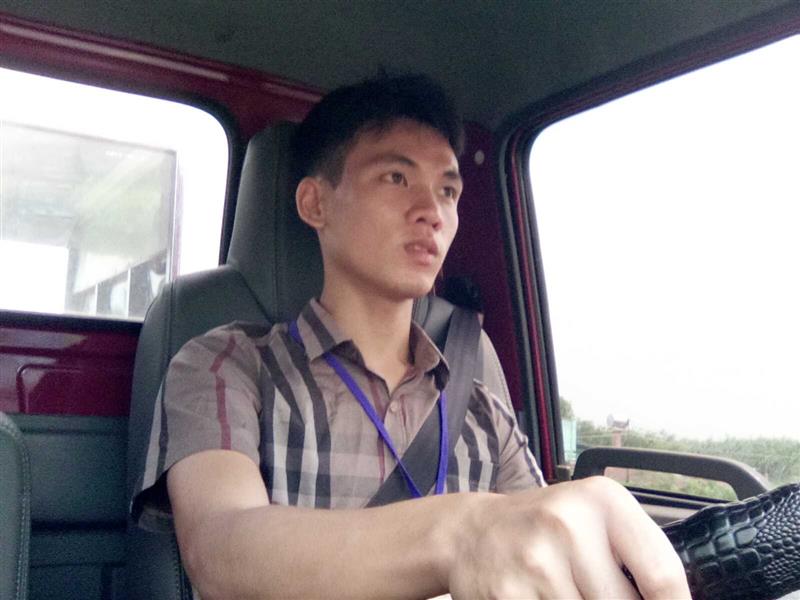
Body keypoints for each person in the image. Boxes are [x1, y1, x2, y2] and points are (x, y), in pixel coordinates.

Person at [131, 74, 690, 599]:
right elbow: (221, 548)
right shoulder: (226, 363)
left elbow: (541, 538)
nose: (432, 212)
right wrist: (459, 533)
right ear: (315, 203)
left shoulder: (482, 410)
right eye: (396, 178)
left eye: (447, 191)